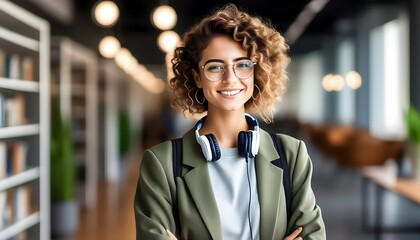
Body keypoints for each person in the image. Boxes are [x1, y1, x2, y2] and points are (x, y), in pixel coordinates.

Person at [134, 3, 326, 240]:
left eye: (243, 65)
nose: (230, 78)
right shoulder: (161, 164)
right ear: (197, 77)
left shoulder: (291, 155)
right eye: (215, 67)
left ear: (257, 72)